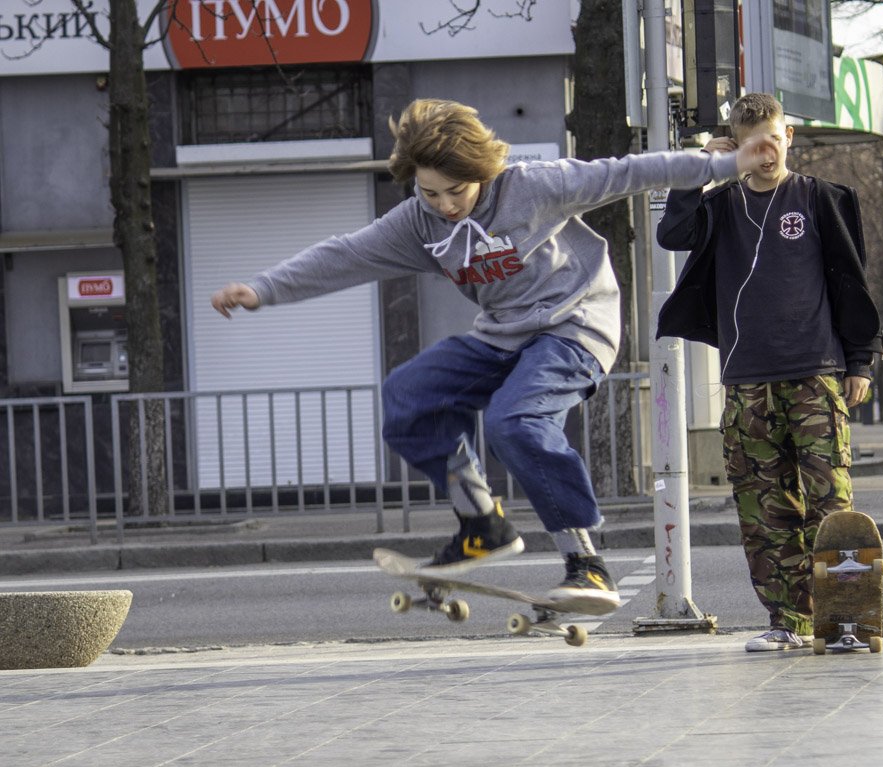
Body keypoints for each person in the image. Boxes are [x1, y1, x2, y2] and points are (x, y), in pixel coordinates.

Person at [212, 98, 776, 609]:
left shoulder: (534, 186)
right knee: (407, 397)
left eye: (457, 191)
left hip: (575, 326)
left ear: (481, 172)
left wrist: (721, 165)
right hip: (502, 334)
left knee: (515, 421)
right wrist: (264, 289)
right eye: (431, 192)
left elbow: (630, 172)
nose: (447, 206)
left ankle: (586, 563)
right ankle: (482, 522)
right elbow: (344, 255)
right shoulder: (418, 223)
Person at [656, 93, 883, 650]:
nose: (766, 154)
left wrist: (860, 360)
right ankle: (790, 623)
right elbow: (671, 235)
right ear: (737, 145)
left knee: (831, 505)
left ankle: (845, 623)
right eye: (752, 145)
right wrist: (701, 167)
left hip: (816, 372)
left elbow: (850, 281)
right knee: (764, 508)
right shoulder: (720, 207)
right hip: (746, 380)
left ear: (789, 138)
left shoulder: (820, 199)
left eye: (774, 141)